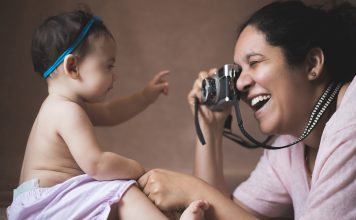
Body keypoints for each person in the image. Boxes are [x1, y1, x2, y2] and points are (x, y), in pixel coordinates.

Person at [138, 1, 356, 219]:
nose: (239, 84)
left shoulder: (351, 117)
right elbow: (225, 214)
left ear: (312, 64)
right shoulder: (290, 148)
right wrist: (210, 127)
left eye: (255, 62)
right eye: (239, 71)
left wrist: (193, 189)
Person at [7, 9, 210, 220]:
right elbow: (96, 164)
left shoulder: (67, 105)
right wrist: (136, 169)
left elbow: (111, 112)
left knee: (112, 198)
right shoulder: (66, 111)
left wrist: (144, 96)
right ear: (73, 66)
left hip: (47, 203)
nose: (115, 76)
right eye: (108, 66)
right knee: (123, 192)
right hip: (47, 204)